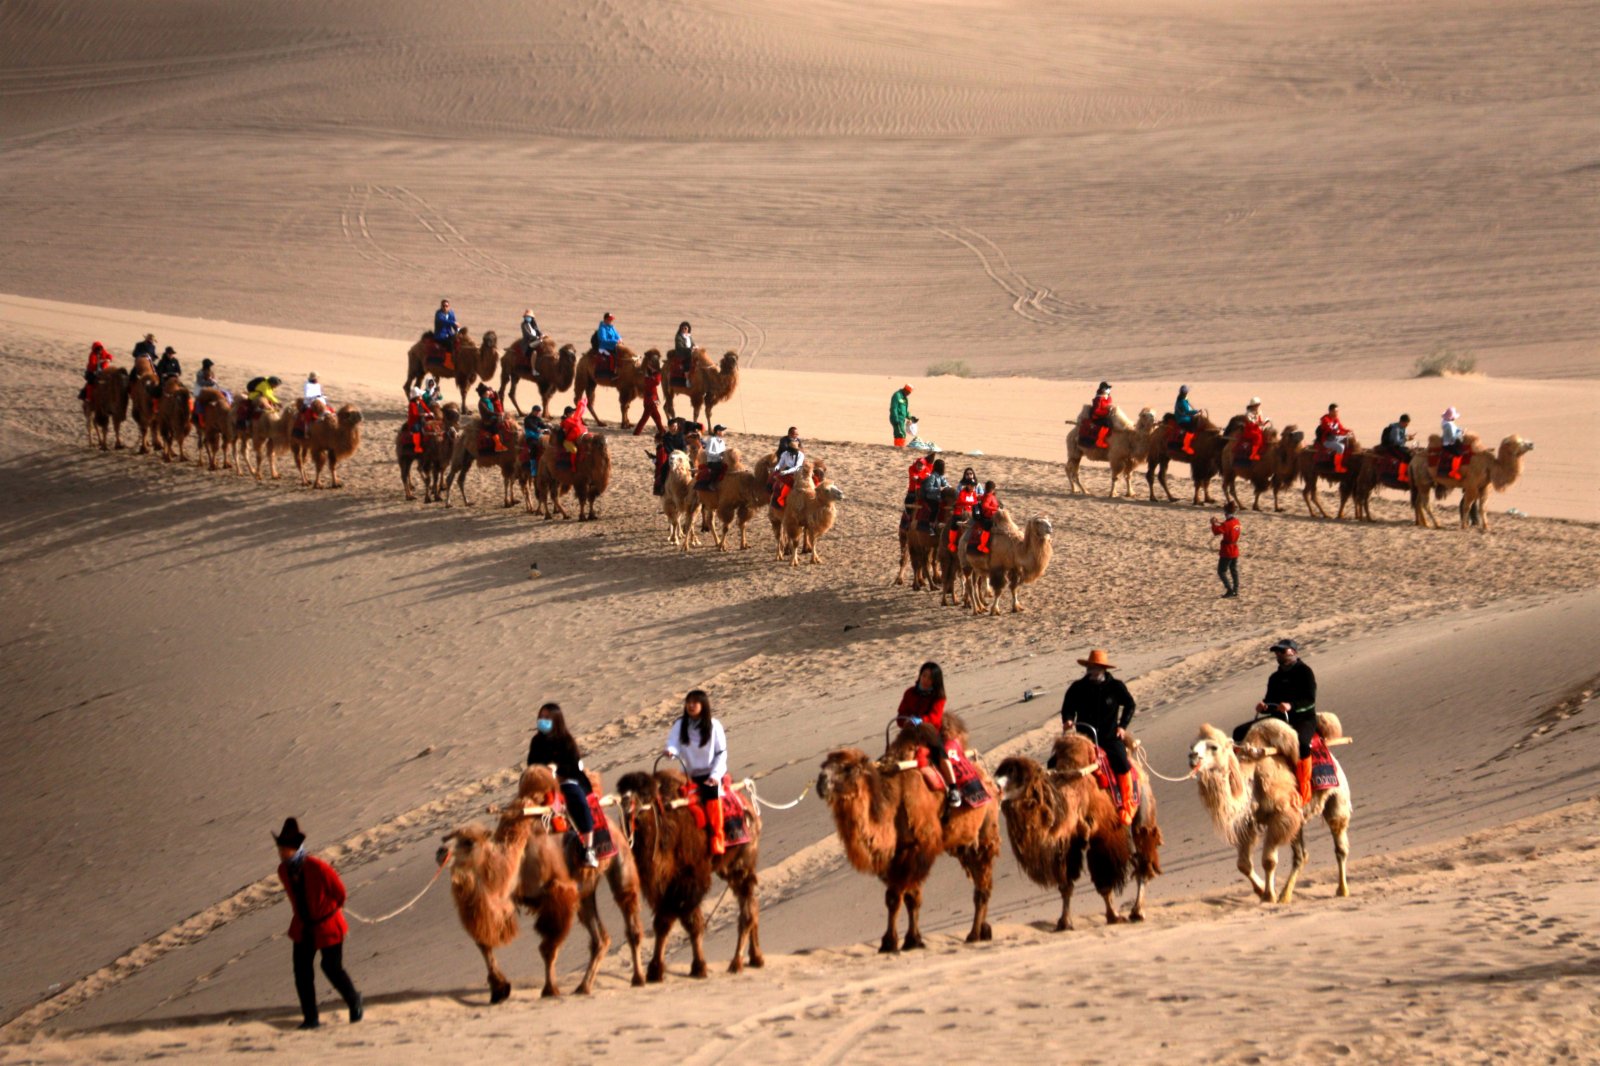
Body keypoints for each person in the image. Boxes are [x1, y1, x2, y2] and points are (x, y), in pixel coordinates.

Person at [273, 818, 362, 1030]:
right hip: (302, 927)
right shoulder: (283, 871)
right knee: (302, 972)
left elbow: (340, 893)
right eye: (280, 849)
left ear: (295, 848)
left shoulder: (318, 867)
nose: (281, 853)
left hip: (327, 925)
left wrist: (329, 910)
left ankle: (354, 1000)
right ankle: (310, 1018)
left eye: (284, 849)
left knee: (331, 967)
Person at [1233, 639, 1318, 805]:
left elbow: (1310, 700)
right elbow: (1270, 700)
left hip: (1302, 718)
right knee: (1239, 732)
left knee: (1302, 744)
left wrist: (1291, 706)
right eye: (1277, 652)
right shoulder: (1275, 677)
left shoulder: (1305, 672)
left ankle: (1304, 791)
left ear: (1294, 652)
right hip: (1278, 720)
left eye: (1282, 651)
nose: (1279, 654)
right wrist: (1264, 706)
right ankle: (1241, 781)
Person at [1058, 649, 1138, 825]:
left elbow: (1130, 705)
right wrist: (1068, 720)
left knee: (1122, 763)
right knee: (1057, 762)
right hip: (1084, 738)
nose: (1091, 671)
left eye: (1095, 667)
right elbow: (1068, 708)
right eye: (1089, 667)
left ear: (1103, 669)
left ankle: (1127, 805)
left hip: (1109, 737)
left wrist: (1122, 726)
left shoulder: (1115, 686)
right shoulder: (1077, 688)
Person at [527, 703, 599, 868]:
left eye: (547, 717)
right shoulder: (536, 741)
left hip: (565, 781)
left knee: (578, 800)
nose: (542, 720)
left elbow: (573, 766)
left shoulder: (566, 741)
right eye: (541, 717)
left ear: (556, 720)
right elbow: (531, 763)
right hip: (542, 783)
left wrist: (556, 769)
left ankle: (588, 848)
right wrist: (542, 770)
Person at [663, 690, 729, 856]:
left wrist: (715, 776)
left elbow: (721, 753)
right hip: (689, 775)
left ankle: (717, 837)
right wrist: (671, 752)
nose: (691, 705)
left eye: (695, 702)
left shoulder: (714, 725)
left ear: (703, 705)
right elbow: (673, 744)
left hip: (710, 774)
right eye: (689, 702)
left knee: (711, 796)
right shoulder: (680, 724)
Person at [896, 662, 961, 807]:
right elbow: (901, 713)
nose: (925, 680)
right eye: (924, 675)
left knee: (940, 754)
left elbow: (935, 718)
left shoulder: (939, 697)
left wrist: (921, 721)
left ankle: (953, 788)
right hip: (909, 733)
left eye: (930, 678)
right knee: (892, 753)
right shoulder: (909, 693)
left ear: (935, 681)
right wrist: (905, 721)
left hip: (929, 733)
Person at [1211, 502, 1241, 598]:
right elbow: (1228, 525)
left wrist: (1213, 524)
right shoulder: (1236, 522)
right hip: (1235, 550)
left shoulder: (1227, 524)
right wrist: (1219, 522)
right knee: (1233, 570)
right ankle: (1236, 590)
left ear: (1226, 512)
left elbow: (1216, 531)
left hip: (1227, 551)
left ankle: (1229, 590)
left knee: (1221, 571)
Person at [633, 355, 665, 436]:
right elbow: (652, 382)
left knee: (657, 417)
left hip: (652, 398)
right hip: (649, 399)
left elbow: (656, 382)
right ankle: (637, 432)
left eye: (650, 363)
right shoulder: (649, 374)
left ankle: (662, 430)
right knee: (647, 418)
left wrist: (649, 377)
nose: (648, 365)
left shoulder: (655, 374)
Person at [1317, 403, 1352, 472]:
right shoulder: (1325, 420)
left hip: (1335, 438)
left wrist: (1348, 431)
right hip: (1327, 440)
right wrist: (1344, 433)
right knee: (1341, 447)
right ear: (1330, 411)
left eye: (1337, 411)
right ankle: (1338, 467)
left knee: (1348, 439)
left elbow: (1341, 428)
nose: (1337, 413)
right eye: (1335, 411)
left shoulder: (1336, 419)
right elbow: (1332, 431)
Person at [476, 384, 506, 452]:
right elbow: (488, 412)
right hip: (487, 421)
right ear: (484, 393)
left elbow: (495, 399)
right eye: (488, 391)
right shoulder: (481, 403)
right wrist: (498, 414)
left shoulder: (488, 400)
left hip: (492, 417)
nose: (489, 392)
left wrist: (496, 394)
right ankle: (498, 445)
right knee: (494, 428)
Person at [973, 480, 1001, 553]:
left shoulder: (988, 496)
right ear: (993, 489)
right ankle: (982, 546)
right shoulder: (989, 496)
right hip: (988, 517)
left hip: (992, 516)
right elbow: (985, 506)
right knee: (987, 527)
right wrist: (995, 509)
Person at [1238, 397, 1269, 461]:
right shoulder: (1248, 413)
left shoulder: (1259, 412)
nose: (1257, 406)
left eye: (1258, 405)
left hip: (1257, 429)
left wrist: (1264, 422)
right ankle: (1253, 454)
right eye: (1256, 405)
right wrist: (1259, 423)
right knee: (1257, 436)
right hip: (1250, 430)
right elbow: (1251, 423)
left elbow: (1260, 420)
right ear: (1252, 405)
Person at [1440, 407, 1467, 477]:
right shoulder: (1448, 425)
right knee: (1458, 454)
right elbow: (1453, 436)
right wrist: (1461, 434)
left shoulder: (1446, 422)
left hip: (1449, 441)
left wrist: (1460, 430)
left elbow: (1455, 429)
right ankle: (1454, 472)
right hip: (1449, 444)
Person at [559, 398, 588, 463]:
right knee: (574, 450)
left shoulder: (572, 419)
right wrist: (578, 415)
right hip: (568, 441)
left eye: (573, 412)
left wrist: (580, 409)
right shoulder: (567, 420)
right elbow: (575, 424)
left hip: (575, 439)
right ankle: (573, 466)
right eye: (572, 413)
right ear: (568, 414)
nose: (573, 414)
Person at [522, 407, 548, 479]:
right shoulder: (527, 419)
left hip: (539, 436)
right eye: (537, 412)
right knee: (534, 447)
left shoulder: (538, 418)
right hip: (531, 437)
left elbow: (542, 425)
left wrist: (548, 427)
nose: (538, 413)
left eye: (539, 412)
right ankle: (533, 469)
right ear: (533, 411)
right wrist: (538, 429)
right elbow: (532, 426)